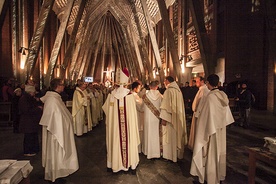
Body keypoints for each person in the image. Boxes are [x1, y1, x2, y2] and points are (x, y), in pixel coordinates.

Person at [190, 74, 234, 184]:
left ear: (208, 83)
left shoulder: (210, 97)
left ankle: (209, 177)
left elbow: (204, 118)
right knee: (218, 152)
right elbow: (226, 115)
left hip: (210, 130)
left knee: (210, 152)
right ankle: (217, 175)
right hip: (220, 129)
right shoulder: (223, 95)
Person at [39, 78, 79, 182]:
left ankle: (58, 173)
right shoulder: (52, 100)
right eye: (62, 84)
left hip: (59, 131)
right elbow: (54, 118)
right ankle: (55, 175)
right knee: (55, 154)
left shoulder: (56, 98)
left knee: (59, 155)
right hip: (55, 133)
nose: (64, 86)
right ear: (58, 86)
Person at [102, 68, 140, 174]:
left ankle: (114, 165)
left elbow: (105, 109)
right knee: (128, 140)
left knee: (115, 141)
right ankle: (130, 164)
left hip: (115, 129)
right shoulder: (130, 96)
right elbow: (133, 114)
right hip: (127, 127)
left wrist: (113, 118)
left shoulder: (111, 95)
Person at [159, 76, 187, 162]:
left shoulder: (168, 91)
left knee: (169, 137)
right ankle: (176, 155)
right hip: (177, 118)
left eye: (164, 81)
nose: (164, 82)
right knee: (176, 136)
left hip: (170, 120)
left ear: (167, 81)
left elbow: (165, 107)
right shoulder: (178, 91)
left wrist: (164, 119)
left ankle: (169, 156)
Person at [18, 85, 42, 156]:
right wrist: (38, 109)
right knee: (29, 137)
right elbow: (26, 110)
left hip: (31, 121)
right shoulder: (24, 99)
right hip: (28, 121)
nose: (34, 94)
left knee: (32, 136)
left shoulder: (28, 98)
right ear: (30, 92)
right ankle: (28, 151)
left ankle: (33, 149)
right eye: (33, 92)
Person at [142, 80, 163, 159]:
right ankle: (156, 152)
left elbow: (141, 107)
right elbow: (162, 106)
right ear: (157, 87)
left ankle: (147, 151)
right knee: (156, 134)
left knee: (148, 133)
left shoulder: (145, 96)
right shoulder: (161, 96)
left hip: (148, 119)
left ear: (150, 86)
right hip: (156, 119)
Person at [188, 77, 209, 150]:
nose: (196, 82)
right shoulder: (201, 89)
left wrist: (196, 110)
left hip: (199, 114)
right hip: (196, 112)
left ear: (202, 81)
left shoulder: (204, 90)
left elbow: (201, 103)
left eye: (197, 81)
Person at [131, 81, 143, 153]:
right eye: (138, 88)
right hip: (137, 115)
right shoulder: (134, 95)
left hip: (134, 115)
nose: (139, 89)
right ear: (135, 88)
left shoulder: (131, 95)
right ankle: (138, 149)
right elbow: (140, 107)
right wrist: (143, 100)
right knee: (138, 132)